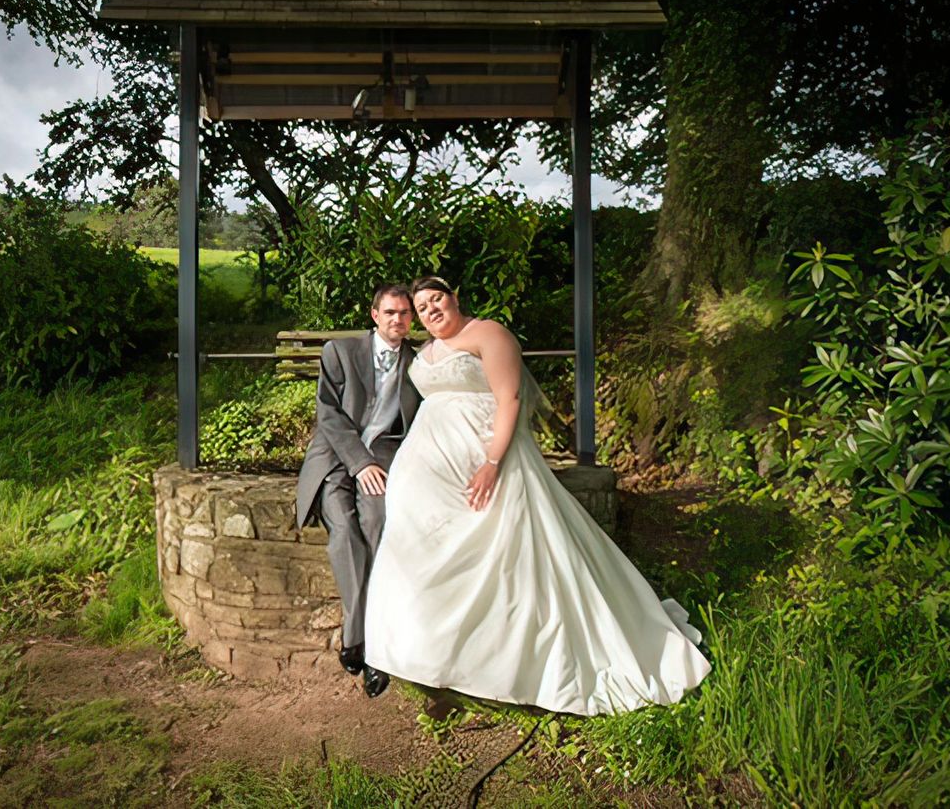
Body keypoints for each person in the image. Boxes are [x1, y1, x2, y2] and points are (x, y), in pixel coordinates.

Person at [364, 277, 711, 715]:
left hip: (483, 462)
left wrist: (492, 463)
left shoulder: (489, 333)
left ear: (455, 297)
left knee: (502, 558)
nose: (431, 310)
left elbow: (509, 399)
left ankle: (517, 666)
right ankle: (439, 663)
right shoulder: (425, 351)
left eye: (437, 299)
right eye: (422, 306)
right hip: (427, 477)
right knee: (423, 558)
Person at [296, 284, 421, 698]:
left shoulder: (417, 365)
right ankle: (366, 648)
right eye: (390, 313)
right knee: (346, 532)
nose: (397, 320)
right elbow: (328, 415)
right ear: (374, 315)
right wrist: (359, 461)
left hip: (383, 460)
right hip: (334, 458)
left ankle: (360, 642)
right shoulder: (340, 352)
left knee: (377, 525)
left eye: (404, 314)